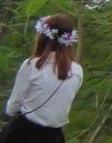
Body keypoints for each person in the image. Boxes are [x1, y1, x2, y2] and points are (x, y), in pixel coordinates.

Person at [4, 14, 83, 142]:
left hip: (23, 133)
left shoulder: (32, 65)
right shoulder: (77, 70)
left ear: (43, 36)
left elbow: (12, 107)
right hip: (54, 137)